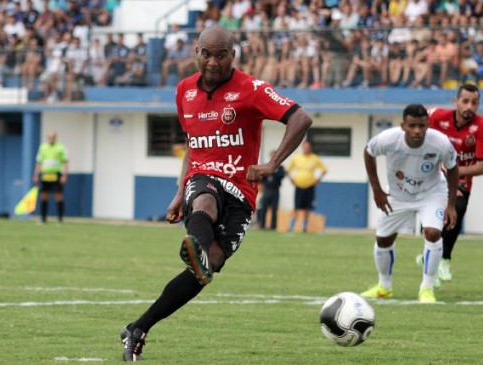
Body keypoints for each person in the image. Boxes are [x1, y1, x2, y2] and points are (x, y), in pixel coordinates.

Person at [119, 26, 313, 361]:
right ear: (196, 52)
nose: (212, 62)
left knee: (207, 270)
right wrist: (180, 193)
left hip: (242, 191)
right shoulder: (183, 92)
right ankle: (194, 245)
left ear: (232, 56)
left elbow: (301, 118)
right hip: (204, 177)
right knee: (205, 199)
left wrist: (271, 163)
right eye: (206, 53)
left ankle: (139, 327)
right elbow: (194, 147)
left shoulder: (252, 89)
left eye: (220, 54)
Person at [360, 104, 459, 303]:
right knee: (383, 240)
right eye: (412, 126)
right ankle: (384, 286)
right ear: (403, 125)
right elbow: (368, 152)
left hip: (431, 193)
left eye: (422, 126)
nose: (417, 131)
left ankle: (427, 288)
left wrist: (450, 205)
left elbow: (453, 168)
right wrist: (378, 190)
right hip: (397, 195)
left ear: (427, 125)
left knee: (433, 233)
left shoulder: (440, 143)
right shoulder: (388, 139)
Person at [416, 84, 483, 284]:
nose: (469, 106)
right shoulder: (437, 117)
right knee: (431, 223)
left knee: (454, 214)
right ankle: (431, 259)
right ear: (455, 101)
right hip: (431, 179)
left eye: (474, 102)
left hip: (460, 184)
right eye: (465, 101)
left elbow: (482, 166)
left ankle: (443, 259)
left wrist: (454, 173)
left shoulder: (482, 127)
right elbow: (417, 118)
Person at [285, 140, 327, 233]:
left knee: (307, 207)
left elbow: (324, 170)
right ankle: (292, 226)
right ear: (302, 148)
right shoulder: (296, 158)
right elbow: (287, 170)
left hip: (309, 187)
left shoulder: (315, 158)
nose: (306, 149)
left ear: (310, 148)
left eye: (308, 147)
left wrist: (318, 179)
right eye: (304, 147)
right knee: (296, 207)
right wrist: (291, 180)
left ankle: (305, 226)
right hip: (299, 186)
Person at [33, 131, 68, 224]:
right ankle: (43, 219)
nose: (51, 139)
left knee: (59, 196)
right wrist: (36, 174)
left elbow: (65, 161)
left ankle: (60, 219)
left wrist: (64, 175)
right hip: (45, 174)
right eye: (49, 137)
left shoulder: (60, 148)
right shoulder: (43, 147)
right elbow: (39, 162)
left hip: (56, 174)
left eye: (53, 137)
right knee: (43, 197)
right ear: (47, 138)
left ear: (55, 138)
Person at [256, 150, 285, 230]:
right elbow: (262, 177)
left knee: (274, 209)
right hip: (266, 190)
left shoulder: (280, 167)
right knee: (263, 208)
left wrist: (272, 172)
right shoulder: (266, 166)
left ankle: (273, 226)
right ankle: (262, 225)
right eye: (272, 155)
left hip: (275, 190)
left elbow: (281, 175)